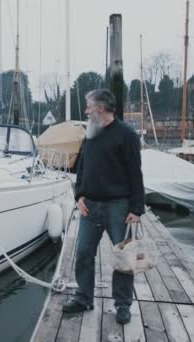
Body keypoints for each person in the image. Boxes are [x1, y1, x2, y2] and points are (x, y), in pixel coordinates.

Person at [62, 89, 145, 325]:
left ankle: (122, 305)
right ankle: (84, 297)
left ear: (100, 108)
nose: (86, 111)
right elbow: (81, 169)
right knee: (83, 254)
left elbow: (135, 173)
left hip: (118, 206)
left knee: (124, 258)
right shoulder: (91, 133)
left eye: (89, 107)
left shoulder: (126, 135)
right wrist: (79, 196)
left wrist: (136, 209)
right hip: (90, 206)